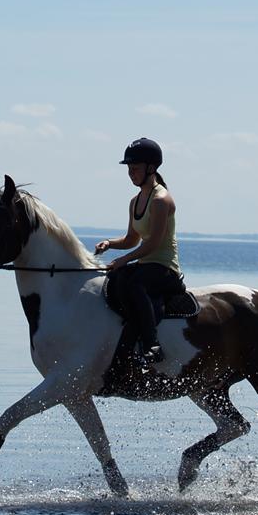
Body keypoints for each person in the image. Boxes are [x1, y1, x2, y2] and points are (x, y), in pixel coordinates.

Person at [95, 137, 185, 365]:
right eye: (129, 169)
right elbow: (131, 239)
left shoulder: (161, 199)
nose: (131, 173)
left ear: (151, 168)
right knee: (115, 278)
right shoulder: (135, 201)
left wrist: (123, 260)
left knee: (135, 284)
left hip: (165, 268)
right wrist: (109, 243)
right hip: (146, 265)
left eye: (135, 168)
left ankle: (151, 345)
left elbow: (153, 243)